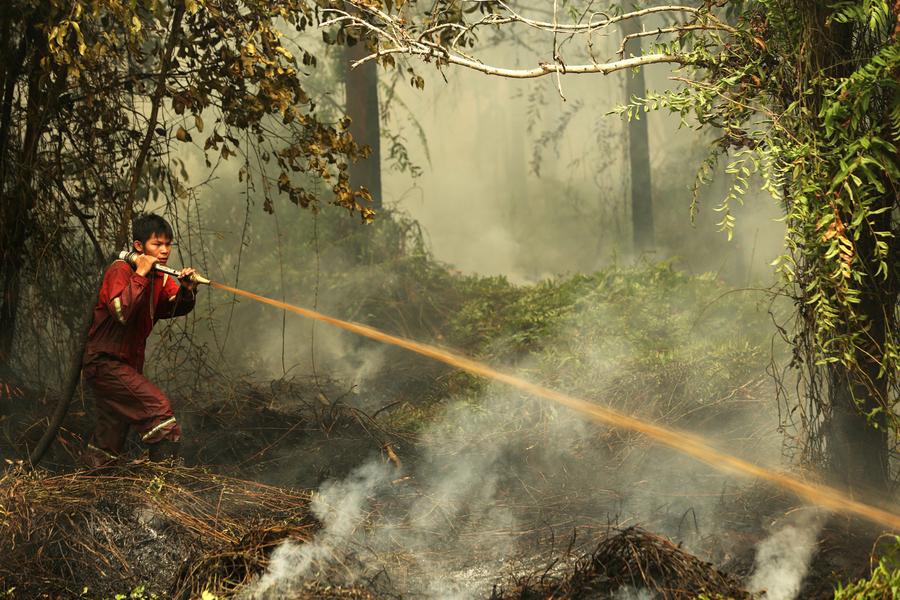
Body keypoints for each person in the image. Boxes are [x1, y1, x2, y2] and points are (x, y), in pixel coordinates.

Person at [82, 214, 199, 466]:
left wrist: (186, 290)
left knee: (109, 439)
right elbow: (121, 312)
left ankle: (90, 491)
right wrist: (141, 274)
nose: (165, 250)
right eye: (157, 244)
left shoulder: (161, 277)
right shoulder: (120, 270)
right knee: (158, 412)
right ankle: (162, 490)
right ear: (138, 246)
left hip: (126, 367)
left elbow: (171, 307)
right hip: (104, 364)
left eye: (168, 244)